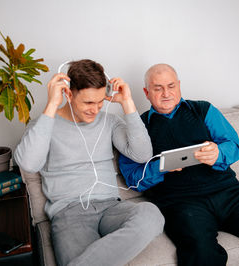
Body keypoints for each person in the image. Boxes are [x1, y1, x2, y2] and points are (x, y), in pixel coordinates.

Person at [118, 63, 239, 266]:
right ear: (146, 92)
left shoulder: (203, 110)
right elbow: (133, 179)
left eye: (171, 86)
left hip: (230, 193)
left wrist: (218, 153)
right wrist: (161, 167)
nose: (166, 93)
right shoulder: (139, 127)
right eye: (158, 88)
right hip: (181, 203)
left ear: (179, 86)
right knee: (202, 255)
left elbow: (234, 146)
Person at [14, 59, 164, 266]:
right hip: (69, 214)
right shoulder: (44, 125)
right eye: (88, 103)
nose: (95, 109)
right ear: (68, 93)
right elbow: (28, 163)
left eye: (100, 101)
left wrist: (127, 103)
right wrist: (51, 105)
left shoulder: (108, 122)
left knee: (151, 215)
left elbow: (143, 155)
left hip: (112, 208)